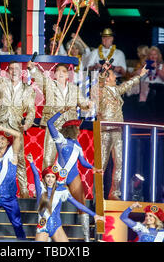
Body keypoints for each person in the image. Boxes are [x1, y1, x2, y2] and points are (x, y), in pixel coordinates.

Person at [0, 52, 36, 198]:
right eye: (11, 69)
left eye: (17, 69)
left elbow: (32, 109)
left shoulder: (27, 89)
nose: (14, 71)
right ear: (7, 71)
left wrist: (27, 124)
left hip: (16, 126)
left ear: (22, 72)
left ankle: (24, 190)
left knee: (18, 158)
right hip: (0, 122)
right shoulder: (2, 83)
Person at [47, 109, 103, 241]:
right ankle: (49, 235)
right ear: (71, 129)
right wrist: (59, 112)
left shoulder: (77, 145)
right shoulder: (60, 139)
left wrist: (93, 167)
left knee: (81, 202)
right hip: (58, 175)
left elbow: (83, 162)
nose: (79, 130)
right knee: (52, 205)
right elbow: (50, 123)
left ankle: (87, 238)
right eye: (77, 128)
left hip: (73, 175)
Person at [26, 60, 92, 170]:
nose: (61, 73)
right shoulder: (49, 85)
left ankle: (64, 185)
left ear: (68, 75)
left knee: (69, 158)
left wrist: (88, 105)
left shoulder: (74, 89)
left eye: (64, 71)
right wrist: (32, 69)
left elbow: (82, 103)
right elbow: (40, 78)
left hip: (69, 126)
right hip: (54, 125)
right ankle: (46, 185)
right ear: (55, 75)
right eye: (58, 71)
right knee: (49, 158)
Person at [26, 153, 104, 242]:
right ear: (44, 178)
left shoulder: (61, 192)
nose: (50, 179)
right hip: (43, 226)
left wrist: (94, 215)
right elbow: (36, 174)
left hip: (57, 227)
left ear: (56, 178)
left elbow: (78, 204)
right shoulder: (41, 190)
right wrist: (31, 162)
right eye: (48, 176)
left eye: (52, 177)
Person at [98, 62, 147, 200]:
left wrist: (140, 76)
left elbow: (127, 85)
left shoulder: (115, 90)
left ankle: (115, 192)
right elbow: (101, 80)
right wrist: (103, 71)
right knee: (102, 163)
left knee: (119, 162)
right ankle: (98, 192)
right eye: (113, 75)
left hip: (117, 130)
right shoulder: (101, 90)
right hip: (105, 130)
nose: (115, 77)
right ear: (108, 78)